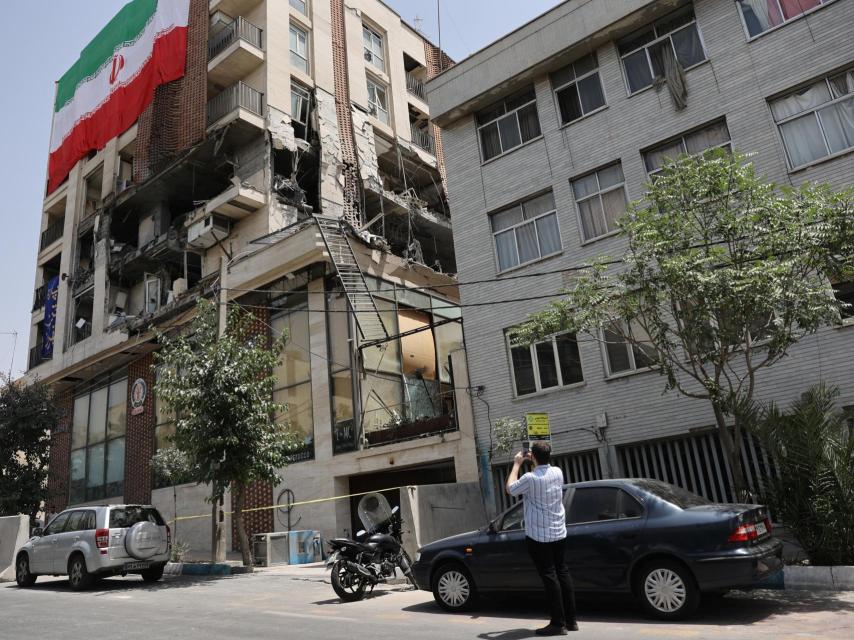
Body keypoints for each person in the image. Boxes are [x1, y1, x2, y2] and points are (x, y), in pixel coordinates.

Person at [506, 441, 577, 636]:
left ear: (533, 457)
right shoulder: (558, 472)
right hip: (559, 531)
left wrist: (517, 464)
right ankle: (571, 620)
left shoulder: (530, 477)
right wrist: (535, 460)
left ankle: (557, 623)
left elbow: (510, 489)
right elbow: (543, 468)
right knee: (562, 572)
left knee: (549, 575)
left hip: (539, 535)